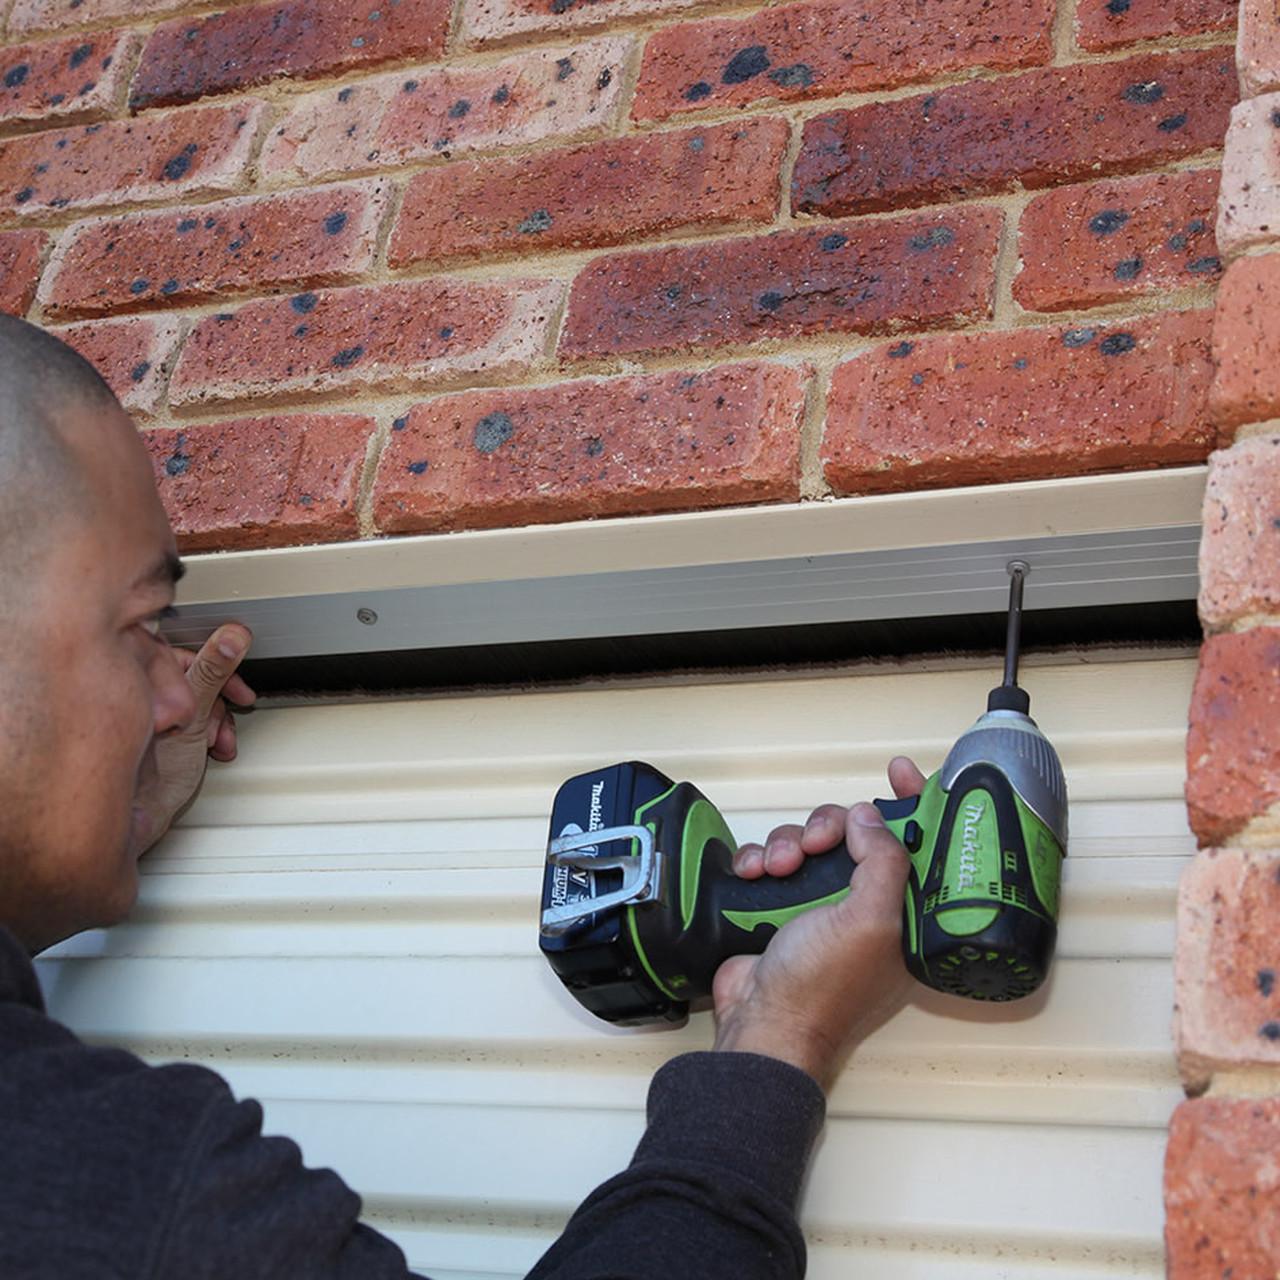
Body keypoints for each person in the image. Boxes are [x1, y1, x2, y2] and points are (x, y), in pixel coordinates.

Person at [0, 313, 918, 1278]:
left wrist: (103, 814)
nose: (178, 691)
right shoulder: (119, 1190)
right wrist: (781, 1038)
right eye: (144, 624)